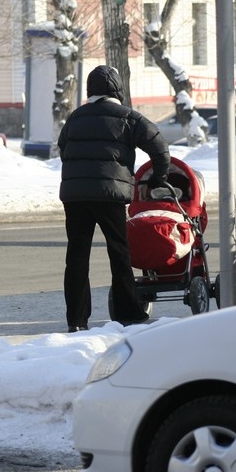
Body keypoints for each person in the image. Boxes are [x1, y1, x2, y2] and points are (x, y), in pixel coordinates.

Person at [58, 65, 170, 333]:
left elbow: (64, 148)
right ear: (118, 89)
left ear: (90, 90)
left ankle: (76, 319)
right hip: (111, 196)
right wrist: (158, 176)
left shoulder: (75, 118)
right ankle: (127, 312)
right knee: (119, 252)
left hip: (75, 196)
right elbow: (159, 146)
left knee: (76, 255)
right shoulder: (128, 117)